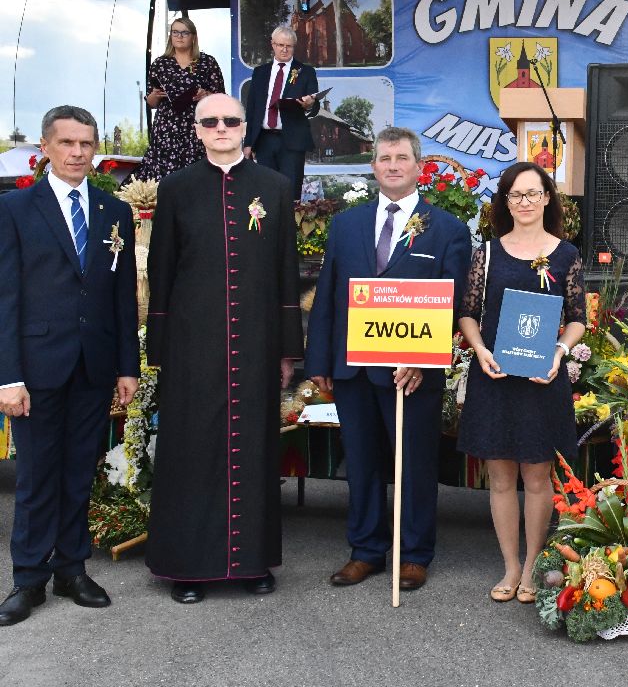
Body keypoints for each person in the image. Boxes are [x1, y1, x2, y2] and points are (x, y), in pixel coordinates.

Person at [144, 93, 302, 604]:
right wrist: (160, 350)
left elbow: (286, 271)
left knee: (254, 449)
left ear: (244, 126)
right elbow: (162, 269)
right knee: (191, 451)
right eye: (210, 121)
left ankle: (252, 562)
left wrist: (287, 349)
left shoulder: (274, 187)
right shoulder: (176, 187)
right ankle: (187, 567)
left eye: (230, 120)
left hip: (256, 342)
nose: (220, 127)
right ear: (197, 129)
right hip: (193, 343)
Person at [306, 128, 470, 590]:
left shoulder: (448, 229)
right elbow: (328, 295)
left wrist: (424, 358)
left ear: (419, 166)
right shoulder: (346, 225)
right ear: (373, 166)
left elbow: (454, 303)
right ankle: (365, 550)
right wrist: (319, 360)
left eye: (401, 157)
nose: (393, 165)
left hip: (411, 373)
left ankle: (414, 554)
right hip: (353, 368)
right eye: (384, 158)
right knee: (361, 463)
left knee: (414, 465)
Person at [0, 106, 138, 625]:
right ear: (46, 147)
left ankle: (72, 569)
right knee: (37, 478)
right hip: (35, 369)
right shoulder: (15, 208)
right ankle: (28, 578)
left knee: (80, 473)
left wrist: (127, 366)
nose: (77, 153)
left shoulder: (113, 211)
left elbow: (122, 296)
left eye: (86, 143)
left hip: (93, 367)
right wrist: (8, 377)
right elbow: (5, 298)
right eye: (67, 143)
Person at [456, 162, 586, 602]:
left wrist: (559, 351)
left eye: (533, 193)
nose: (525, 202)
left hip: (541, 378)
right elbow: (467, 312)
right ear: (505, 202)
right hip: (495, 375)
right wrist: (479, 349)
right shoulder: (487, 253)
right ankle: (510, 566)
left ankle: (532, 566)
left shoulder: (566, 255)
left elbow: (578, 319)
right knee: (499, 478)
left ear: (547, 198)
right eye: (516, 195)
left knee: (537, 477)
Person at [133, 16, 225, 182]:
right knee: (165, 176)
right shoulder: (160, 64)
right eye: (175, 32)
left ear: (193, 37)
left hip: (196, 127)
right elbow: (151, 103)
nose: (179, 36)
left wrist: (205, 95)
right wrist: (154, 95)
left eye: (184, 33)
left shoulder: (207, 62)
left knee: (196, 176)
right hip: (166, 128)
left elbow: (221, 99)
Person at [243, 25, 319, 201]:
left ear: (294, 47)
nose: (284, 50)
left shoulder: (306, 72)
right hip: (264, 140)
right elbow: (252, 108)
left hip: (292, 141)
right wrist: (248, 143)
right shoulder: (260, 72)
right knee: (265, 193)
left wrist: (309, 105)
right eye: (280, 45)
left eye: (289, 46)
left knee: (290, 193)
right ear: (273, 44)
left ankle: (290, 220)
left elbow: (315, 106)